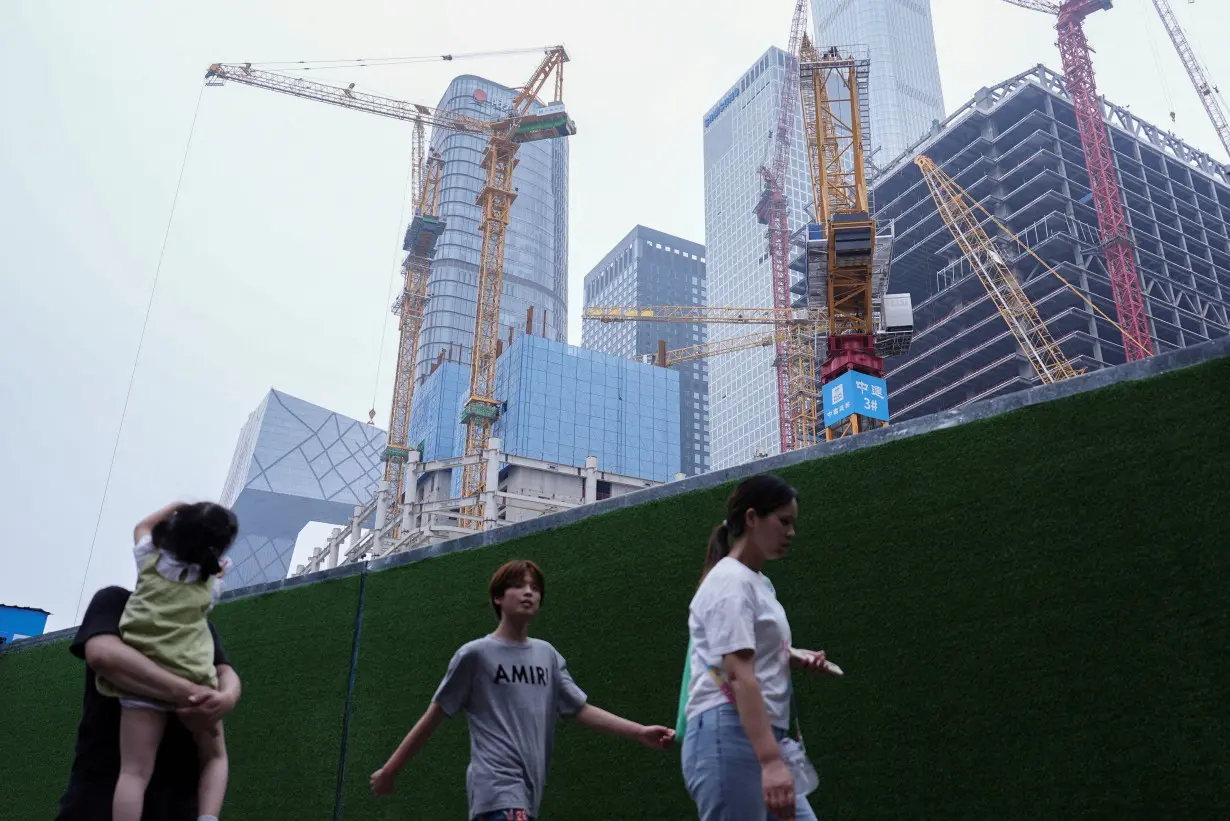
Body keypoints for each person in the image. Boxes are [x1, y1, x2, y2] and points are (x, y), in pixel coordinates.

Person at [370, 558, 677, 820]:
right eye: (519, 585)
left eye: (535, 587)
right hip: (497, 788)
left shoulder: (548, 655)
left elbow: (580, 709)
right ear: (498, 598)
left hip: (530, 792)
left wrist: (639, 732)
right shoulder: (475, 655)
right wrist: (390, 770)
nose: (529, 592)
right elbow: (434, 716)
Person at [680, 474, 841, 821]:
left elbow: (744, 654)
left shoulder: (754, 583)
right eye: (783, 521)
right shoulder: (730, 580)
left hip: (756, 736)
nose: (791, 532)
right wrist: (770, 761)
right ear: (752, 518)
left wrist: (792, 656)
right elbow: (739, 673)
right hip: (732, 734)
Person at [91, 501, 239, 821]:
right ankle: (208, 818)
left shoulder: (149, 562)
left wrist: (174, 506)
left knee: (133, 772)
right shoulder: (210, 587)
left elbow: (141, 528)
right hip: (196, 676)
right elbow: (210, 576)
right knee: (215, 758)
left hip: (143, 677)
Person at [56, 579, 241, 818]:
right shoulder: (117, 602)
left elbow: (225, 672)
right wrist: (187, 693)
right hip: (96, 804)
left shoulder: (200, 628)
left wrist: (227, 698)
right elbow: (102, 654)